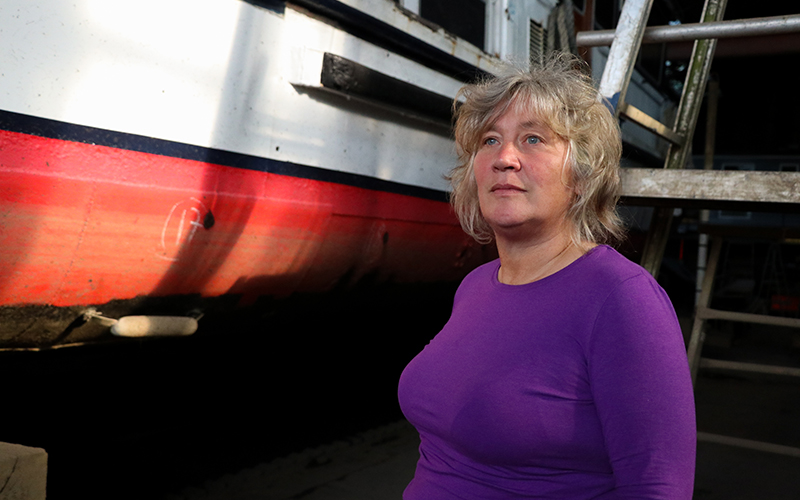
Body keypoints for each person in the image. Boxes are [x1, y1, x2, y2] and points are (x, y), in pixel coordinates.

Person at [397, 53, 696, 499]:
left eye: (533, 139)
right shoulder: (476, 286)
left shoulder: (622, 299)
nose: (505, 158)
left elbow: (657, 488)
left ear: (581, 176)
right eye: (489, 141)